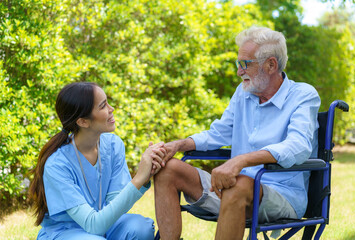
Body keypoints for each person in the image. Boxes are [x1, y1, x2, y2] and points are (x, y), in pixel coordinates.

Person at [154, 26, 321, 239]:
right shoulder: (243, 93)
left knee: (239, 184)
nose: (239, 71)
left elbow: (298, 146)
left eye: (245, 64)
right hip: (234, 187)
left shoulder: (303, 95)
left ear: (271, 65)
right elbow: (218, 133)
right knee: (167, 169)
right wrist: (178, 145)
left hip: (281, 194)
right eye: (238, 64)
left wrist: (241, 160)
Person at [29, 82, 165, 240]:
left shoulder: (113, 145)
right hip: (67, 232)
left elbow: (116, 204)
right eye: (103, 106)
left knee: (141, 228)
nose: (111, 109)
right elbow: (94, 225)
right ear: (83, 122)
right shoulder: (57, 165)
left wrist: (146, 175)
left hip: (103, 225)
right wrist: (138, 179)